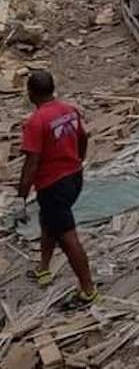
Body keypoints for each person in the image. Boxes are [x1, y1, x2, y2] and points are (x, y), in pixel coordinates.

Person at [17, 70, 98, 307]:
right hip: (74, 178)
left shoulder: (36, 121)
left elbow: (31, 162)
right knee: (48, 220)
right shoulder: (69, 110)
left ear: (30, 93)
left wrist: (21, 197)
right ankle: (44, 269)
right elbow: (84, 138)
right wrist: (78, 161)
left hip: (53, 185)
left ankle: (88, 290)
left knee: (68, 237)